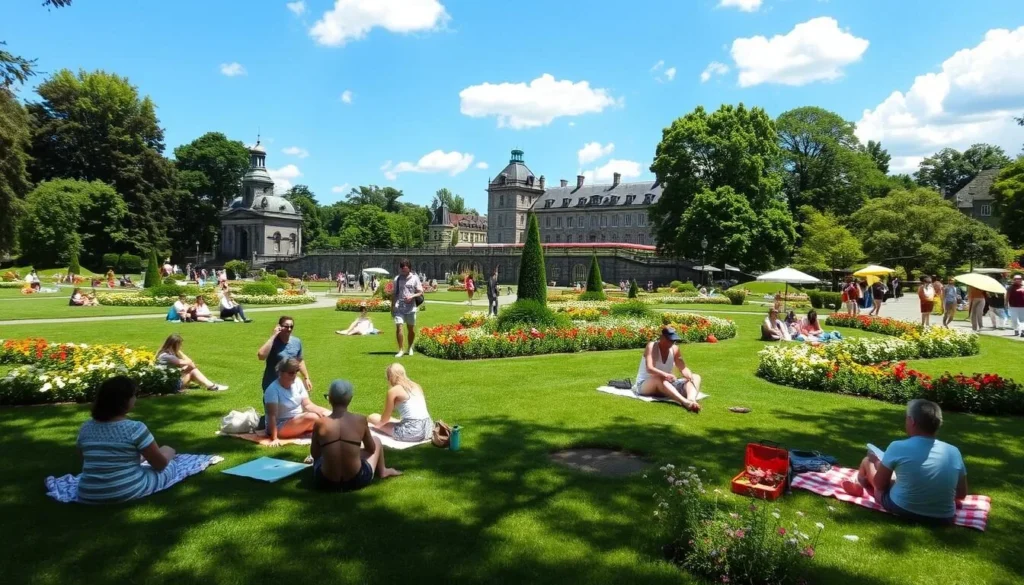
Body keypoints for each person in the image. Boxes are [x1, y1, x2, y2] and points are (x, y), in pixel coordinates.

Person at [841, 399, 967, 525]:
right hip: (944, 517)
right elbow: (961, 494)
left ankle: (861, 484)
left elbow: (880, 485)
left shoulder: (898, 447)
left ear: (912, 422)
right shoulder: (953, 452)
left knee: (868, 461)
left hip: (904, 508)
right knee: (899, 476)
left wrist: (875, 462)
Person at [76, 376, 180, 503]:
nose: (135, 399)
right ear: (125, 400)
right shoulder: (135, 428)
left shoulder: (86, 428)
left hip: (87, 492)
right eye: (134, 395)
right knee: (170, 463)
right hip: (125, 489)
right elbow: (159, 465)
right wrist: (169, 451)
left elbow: (87, 459)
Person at [310, 380, 401, 492]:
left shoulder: (320, 423)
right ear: (350, 399)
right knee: (376, 440)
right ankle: (383, 471)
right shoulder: (360, 420)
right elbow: (371, 449)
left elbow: (315, 454)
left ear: (330, 399)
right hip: (356, 480)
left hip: (325, 482)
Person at [633, 327, 702, 412]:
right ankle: (684, 402)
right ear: (662, 338)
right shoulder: (652, 346)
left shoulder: (675, 349)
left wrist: (688, 375)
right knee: (659, 378)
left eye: (673, 341)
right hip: (645, 385)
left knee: (696, 377)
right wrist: (666, 375)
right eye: (670, 340)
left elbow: (683, 368)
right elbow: (650, 369)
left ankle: (692, 400)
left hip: (667, 384)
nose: (672, 343)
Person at [263, 358, 331, 446]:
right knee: (312, 417)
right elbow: (272, 416)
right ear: (280, 372)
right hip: (279, 426)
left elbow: (308, 404)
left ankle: (345, 431)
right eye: (291, 373)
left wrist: (324, 412)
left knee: (328, 416)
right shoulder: (273, 390)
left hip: (297, 420)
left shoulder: (298, 382)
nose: (294, 375)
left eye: (296, 371)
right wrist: (274, 438)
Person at [368, 363, 434, 442]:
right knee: (394, 420)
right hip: (428, 428)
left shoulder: (394, 391)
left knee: (373, 417)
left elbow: (384, 419)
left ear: (390, 377)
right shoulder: (417, 385)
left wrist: (375, 428)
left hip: (412, 431)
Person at [155, 334, 228, 391]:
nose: (181, 346)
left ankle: (210, 385)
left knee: (191, 369)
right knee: (192, 370)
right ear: (175, 345)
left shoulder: (166, 353)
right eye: (179, 345)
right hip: (169, 385)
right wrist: (180, 353)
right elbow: (190, 362)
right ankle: (212, 386)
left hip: (168, 381)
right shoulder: (167, 356)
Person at [258, 315, 312, 391]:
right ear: (279, 327)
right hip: (272, 384)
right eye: (286, 326)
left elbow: (299, 360)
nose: (289, 329)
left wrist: (306, 378)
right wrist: (273, 336)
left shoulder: (296, 341)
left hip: (290, 384)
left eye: (291, 326)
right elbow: (261, 356)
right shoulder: (273, 343)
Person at [392, 259, 423, 358]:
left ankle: (409, 347)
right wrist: (392, 306)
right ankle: (400, 349)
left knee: (411, 329)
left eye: (405, 269)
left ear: (409, 268)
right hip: (399, 307)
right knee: (399, 327)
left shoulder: (415, 278)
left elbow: (420, 292)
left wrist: (412, 296)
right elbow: (394, 294)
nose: (404, 271)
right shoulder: (397, 279)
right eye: (402, 269)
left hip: (411, 307)